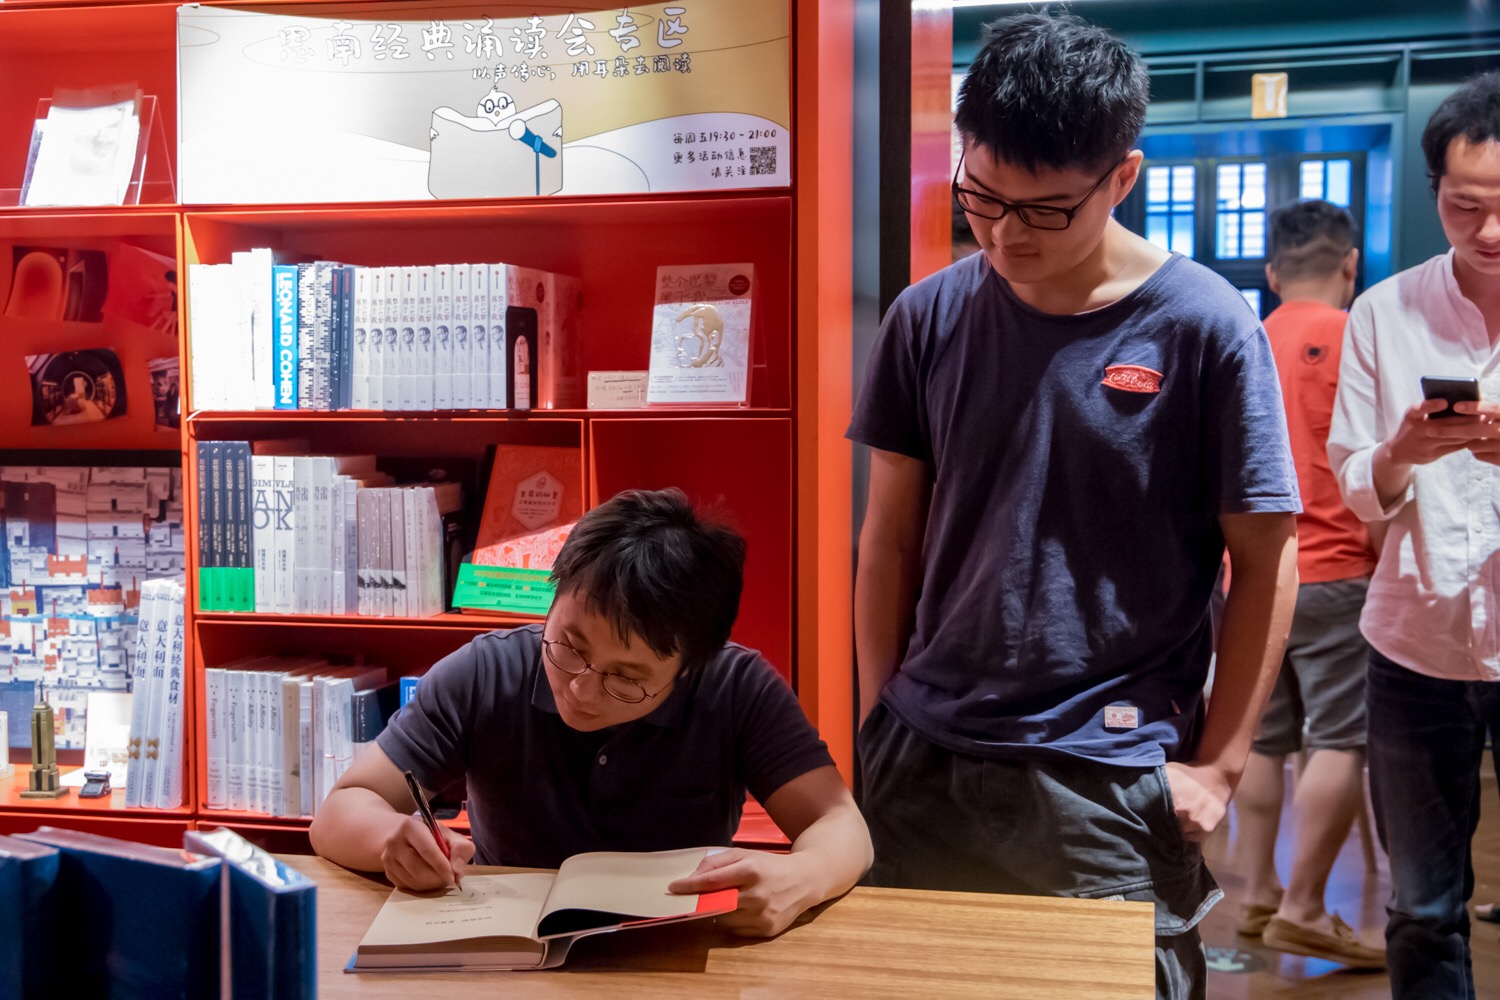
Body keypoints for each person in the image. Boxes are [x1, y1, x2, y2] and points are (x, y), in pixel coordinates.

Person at [847, 13, 1299, 999]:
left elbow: (1267, 556)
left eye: (1046, 209)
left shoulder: (1204, 326)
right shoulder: (926, 317)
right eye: (980, 197)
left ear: (1121, 177)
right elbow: (888, 538)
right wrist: (880, 713)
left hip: (1106, 771)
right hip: (922, 758)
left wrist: (1220, 768)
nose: (1005, 234)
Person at [310, 487, 873, 937]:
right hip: (509, 946)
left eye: (626, 678)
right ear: (552, 598)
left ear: (689, 667)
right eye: (569, 645)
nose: (581, 688)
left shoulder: (736, 686)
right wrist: (389, 837)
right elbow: (339, 812)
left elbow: (841, 826)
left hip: (674, 949)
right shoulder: (484, 671)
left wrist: (801, 875)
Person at [1327, 70, 1500, 998]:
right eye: (1466, 205)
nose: (1489, 230)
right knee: (1424, 907)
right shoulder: (1384, 310)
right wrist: (1400, 450)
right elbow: (1357, 486)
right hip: (1413, 643)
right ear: (1435, 188)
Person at [1231, 199, 1383, 968]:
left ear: (1272, 272)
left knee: (1261, 738)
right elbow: (1378, 468)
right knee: (1339, 737)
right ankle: (1304, 908)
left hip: (1250, 576)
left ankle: (1257, 892)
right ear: (1350, 264)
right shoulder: (1358, 338)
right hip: (1338, 568)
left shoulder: (1243, 337)